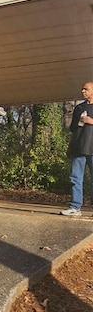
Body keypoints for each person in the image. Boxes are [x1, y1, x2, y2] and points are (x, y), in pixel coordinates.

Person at [61, 81, 93, 216]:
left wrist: (91, 121)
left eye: (86, 89)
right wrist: (79, 121)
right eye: (82, 89)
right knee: (75, 177)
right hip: (79, 147)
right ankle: (75, 207)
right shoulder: (79, 107)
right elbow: (73, 128)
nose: (83, 92)